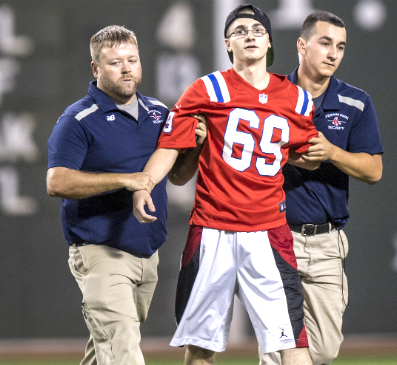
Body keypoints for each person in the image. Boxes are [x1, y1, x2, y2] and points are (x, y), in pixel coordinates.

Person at [132, 5, 320, 365]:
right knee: (201, 348)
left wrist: (314, 153)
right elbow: (170, 146)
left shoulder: (296, 99)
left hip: (268, 232)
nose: (249, 34)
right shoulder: (207, 88)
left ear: (268, 42)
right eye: (239, 30)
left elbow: (305, 154)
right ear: (227, 43)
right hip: (212, 230)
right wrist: (145, 183)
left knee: (292, 345)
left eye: (257, 30)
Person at [46, 25, 205, 365]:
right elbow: (56, 182)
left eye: (132, 60)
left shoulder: (158, 113)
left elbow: (177, 177)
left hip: (147, 253)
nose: (127, 68)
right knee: (124, 352)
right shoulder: (78, 119)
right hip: (100, 252)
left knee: (108, 346)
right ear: (96, 69)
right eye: (115, 62)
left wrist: (195, 147)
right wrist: (124, 180)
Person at [261, 11, 384, 365]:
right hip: (275, 235)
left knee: (324, 350)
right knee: (278, 349)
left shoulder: (354, 103)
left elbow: (374, 170)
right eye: (325, 43)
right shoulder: (268, 96)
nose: (333, 53)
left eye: (340, 46)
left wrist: (332, 153)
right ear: (302, 45)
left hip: (326, 242)